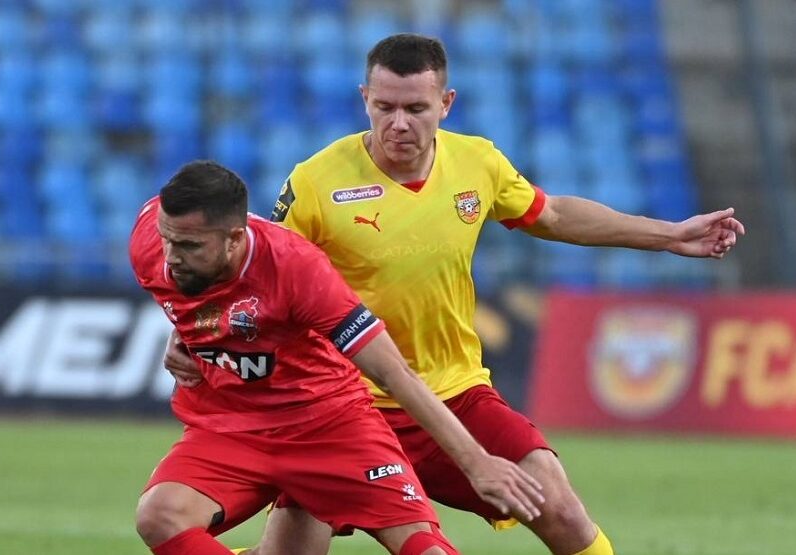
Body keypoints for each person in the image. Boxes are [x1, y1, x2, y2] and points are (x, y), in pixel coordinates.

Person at [165, 34, 745, 555]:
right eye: (384, 107)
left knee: (561, 510)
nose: (399, 123)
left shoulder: (477, 163)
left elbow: (553, 215)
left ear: (446, 103)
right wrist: (190, 334)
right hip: (340, 409)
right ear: (364, 98)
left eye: (416, 108)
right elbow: (253, 277)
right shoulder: (315, 183)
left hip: (455, 392)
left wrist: (669, 235)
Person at [130, 160, 546, 555]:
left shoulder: (297, 269)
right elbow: (199, 303)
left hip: (327, 422)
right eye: (168, 239)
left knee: (424, 546)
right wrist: (187, 335)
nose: (171, 256)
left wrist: (475, 462)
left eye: (189, 246)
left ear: (235, 239)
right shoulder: (150, 241)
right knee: (160, 514)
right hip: (231, 425)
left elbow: (392, 372)